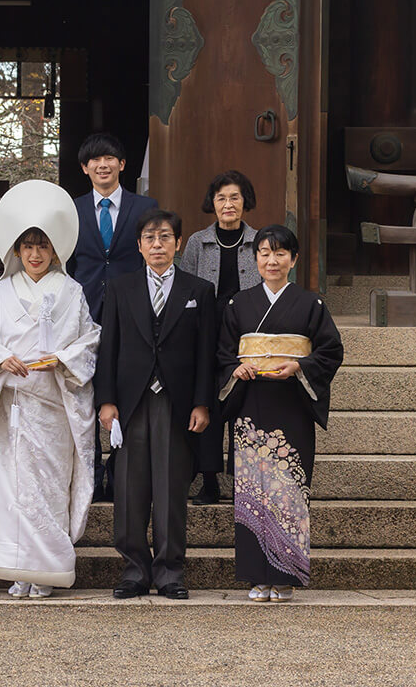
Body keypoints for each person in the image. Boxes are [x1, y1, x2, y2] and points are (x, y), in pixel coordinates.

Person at [0, 180, 100, 599]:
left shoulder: (72, 292)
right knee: (10, 488)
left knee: (46, 487)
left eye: (43, 246)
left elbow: (89, 340)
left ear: (55, 250)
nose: (35, 254)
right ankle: (15, 569)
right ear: (16, 251)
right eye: (27, 246)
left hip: (52, 408)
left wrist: (63, 359)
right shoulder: (2, 292)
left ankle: (46, 570)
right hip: (12, 408)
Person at [94, 208, 216, 600]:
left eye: (165, 237)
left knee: (170, 487)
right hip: (131, 401)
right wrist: (106, 400)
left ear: (178, 243)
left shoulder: (198, 291)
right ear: (139, 245)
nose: (158, 244)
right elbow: (107, 347)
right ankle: (134, 568)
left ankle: (169, 571)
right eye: (150, 238)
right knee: (128, 487)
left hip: (177, 402)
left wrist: (202, 403)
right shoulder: (121, 287)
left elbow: (206, 355)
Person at [218, 225, 343, 604]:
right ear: (254, 259)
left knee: (288, 490)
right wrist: (233, 370)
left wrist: (300, 366)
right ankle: (257, 576)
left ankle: (286, 575)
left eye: (280, 254)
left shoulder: (311, 305)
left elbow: (331, 350)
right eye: (264, 254)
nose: (272, 261)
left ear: (294, 259)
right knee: (253, 490)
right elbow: (223, 352)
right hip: (251, 406)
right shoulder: (238, 305)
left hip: (291, 407)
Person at [65, 132, 158, 502]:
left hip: (131, 311)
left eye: (110, 158)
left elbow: (150, 254)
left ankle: (121, 471)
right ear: (85, 168)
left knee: (125, 388)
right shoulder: (71, 209)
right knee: (85, 391)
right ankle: (93, 468)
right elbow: (69, 262)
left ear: (122, 164)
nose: (102, 165)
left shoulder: (144, 206)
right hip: (83, 311)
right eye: (94, 160)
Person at [179, 171, 262, 505]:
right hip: (207, 331)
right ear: (212, 203)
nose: (228, 204)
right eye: (221, 198)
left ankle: (245, 481)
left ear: (245, 202)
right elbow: (184, 285)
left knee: (244, 403)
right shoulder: (199, 241)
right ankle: (209, 480)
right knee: (209, 402)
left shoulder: (260, 240)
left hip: (248, 331)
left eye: (235, 197)